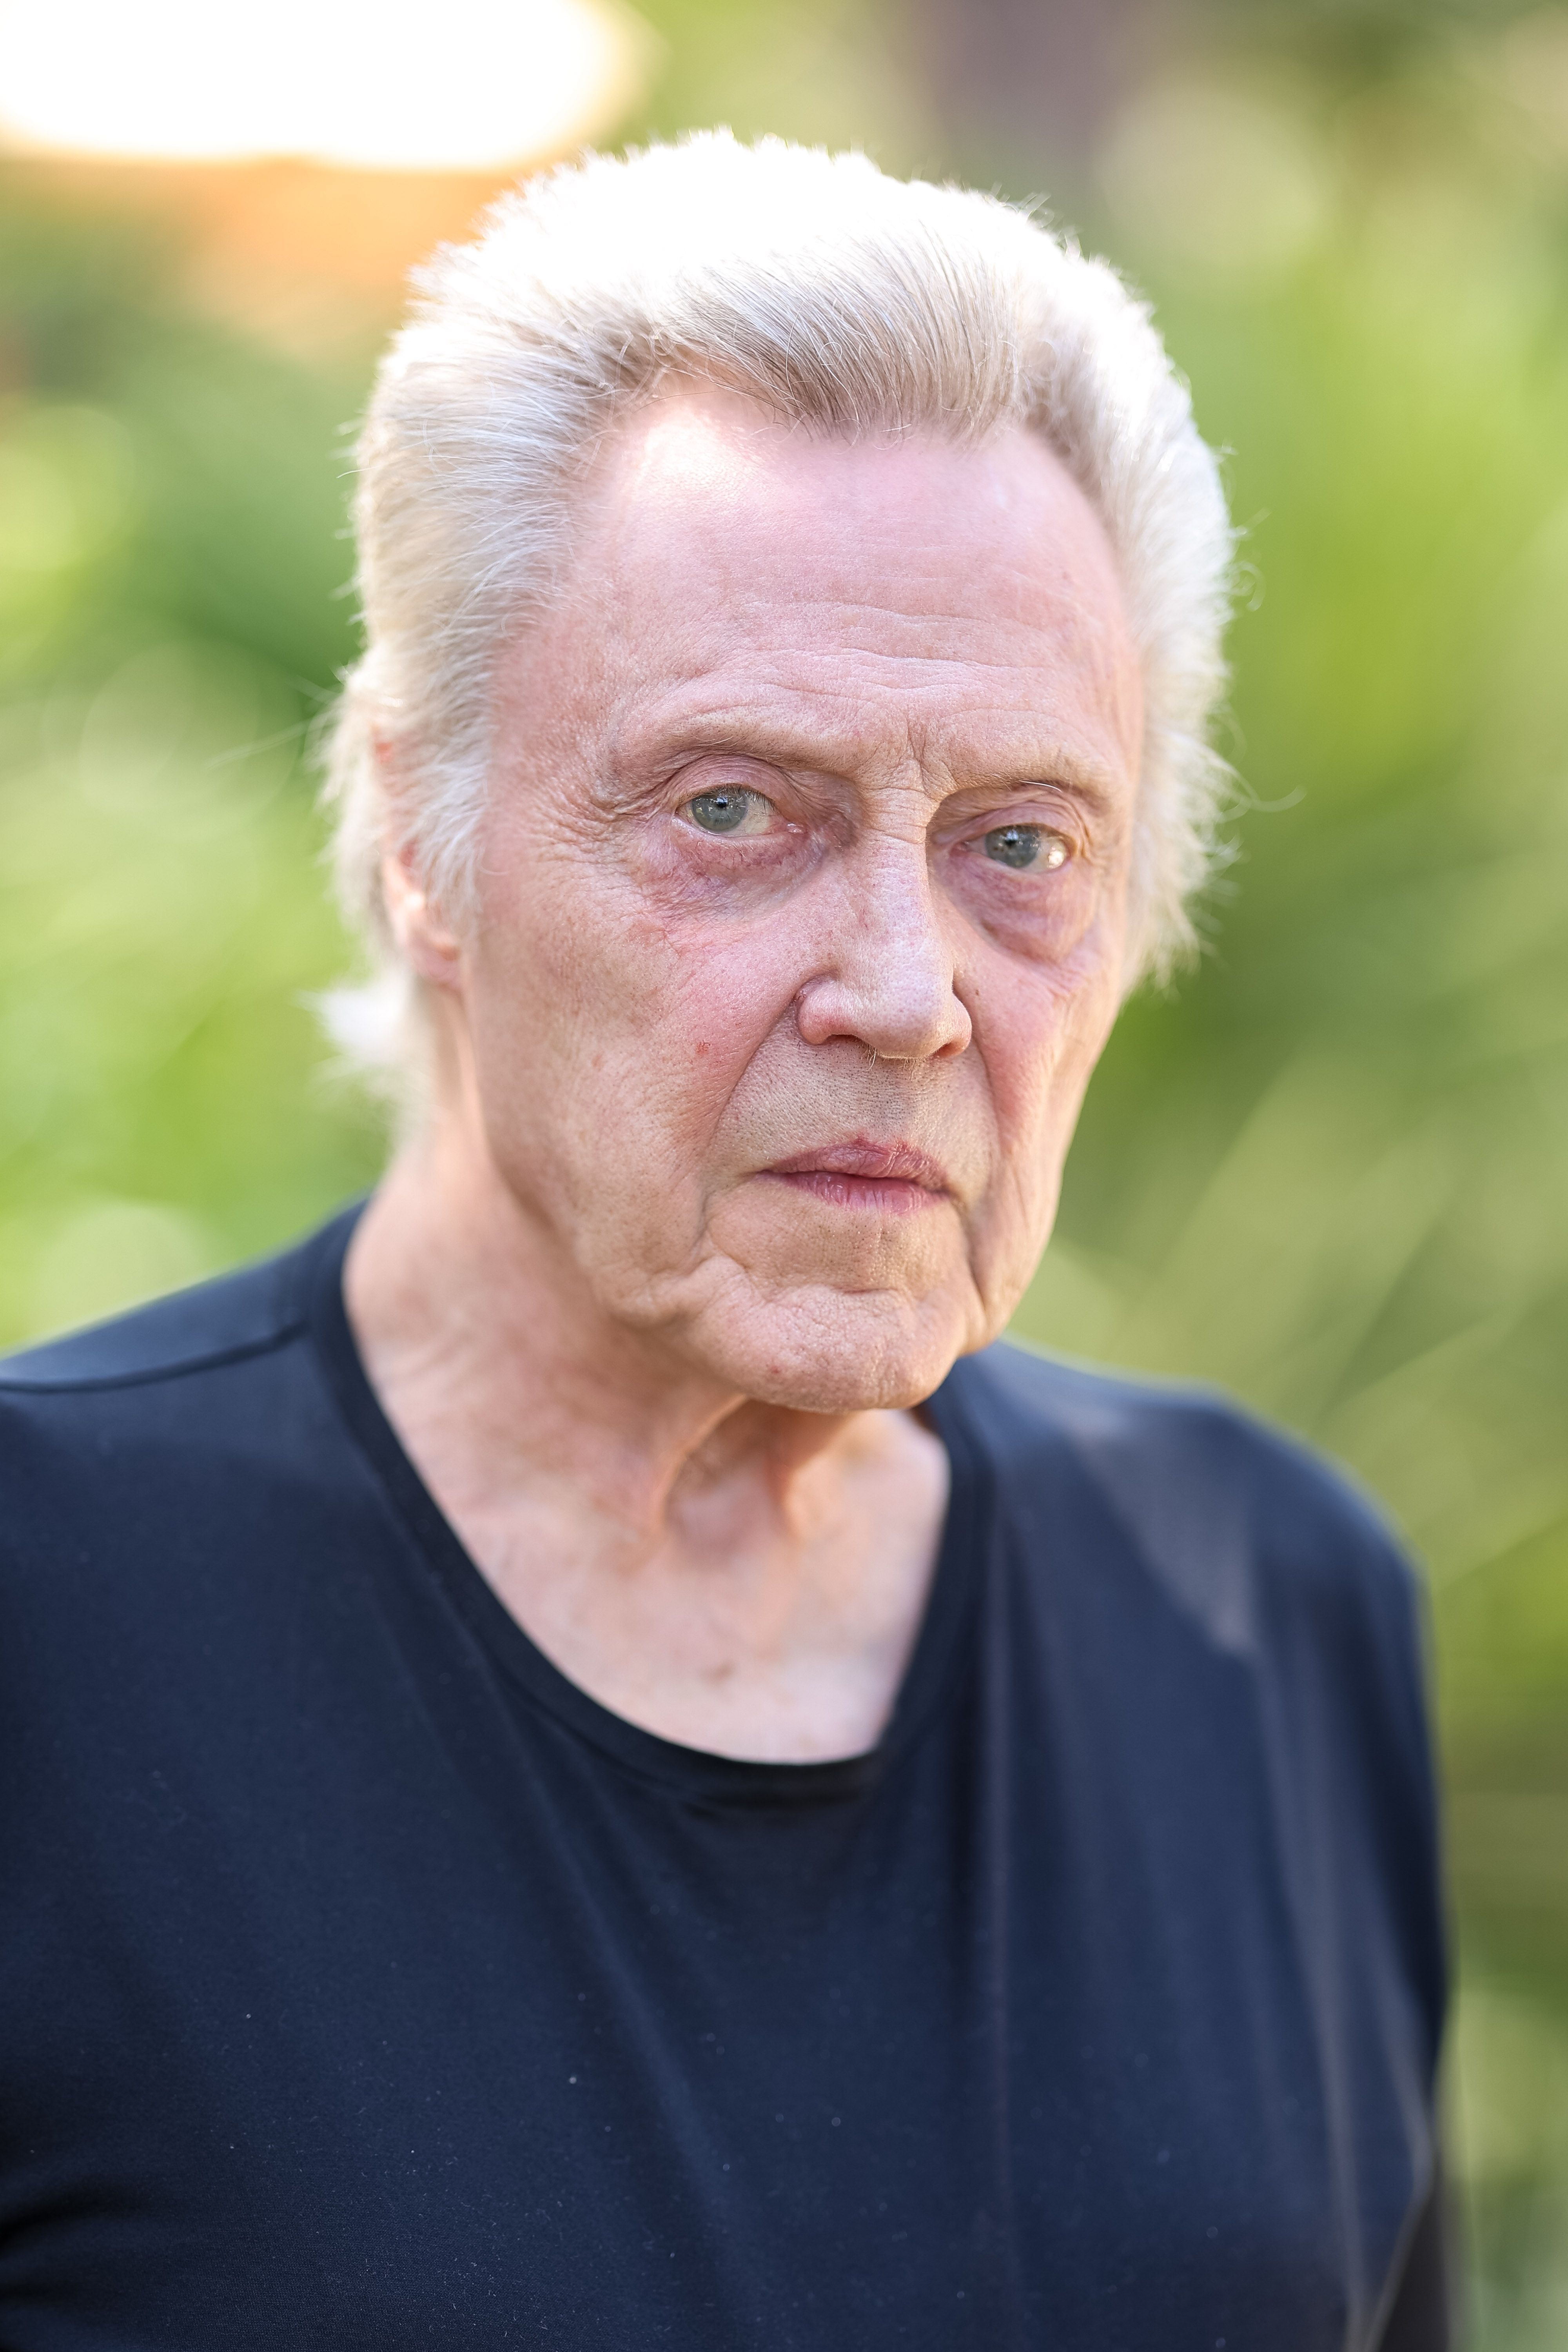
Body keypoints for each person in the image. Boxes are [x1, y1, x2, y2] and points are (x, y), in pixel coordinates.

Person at [0, 135, 1448, 2348]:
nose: (905, 986)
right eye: (734, 810)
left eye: (1021, 840)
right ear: (419, 830)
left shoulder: (1272, 1609)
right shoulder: (52, 1623)